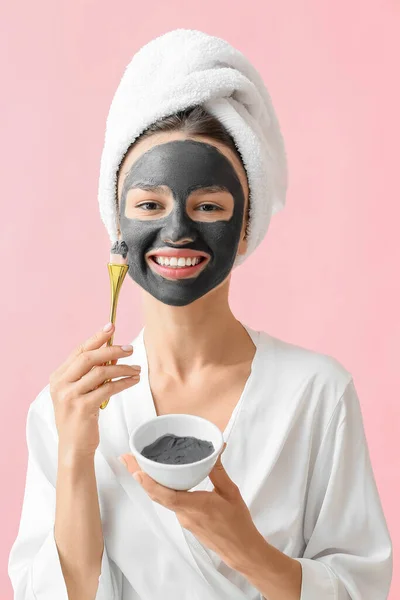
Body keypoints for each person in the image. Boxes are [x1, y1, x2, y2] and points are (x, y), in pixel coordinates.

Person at [8, 30, 392, 600]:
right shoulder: (69, 407)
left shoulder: (317, 394)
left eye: (208, 206)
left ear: (244, 228)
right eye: (148, 206)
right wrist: (75, 455)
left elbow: (361, 590)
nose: (178, 232)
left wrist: (248, 550)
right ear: (118, 226)